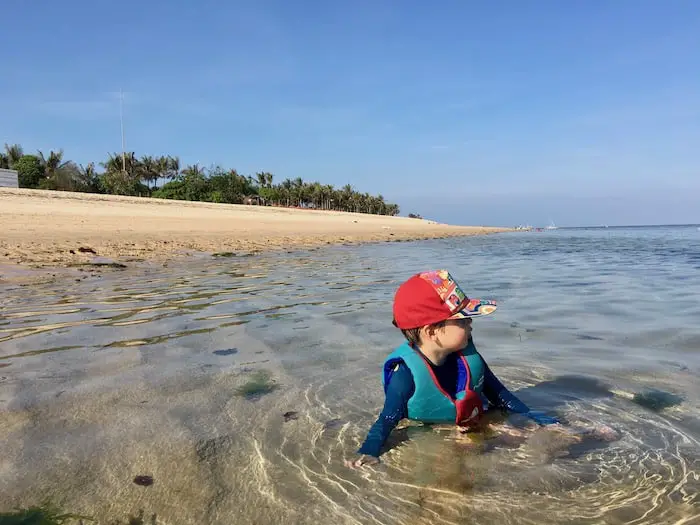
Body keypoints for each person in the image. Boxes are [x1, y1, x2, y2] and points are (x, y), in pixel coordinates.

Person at [345, 269, 560, 468]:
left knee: (528, 437)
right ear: (432, 332)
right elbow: (387, 419)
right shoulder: (405, 375)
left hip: (472, 418)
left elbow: (502, 397)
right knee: (450, 460)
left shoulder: (470, 358)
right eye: (462, 321)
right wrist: (369, 451)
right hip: (430, 427)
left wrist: (540, 419)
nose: (471, 325)